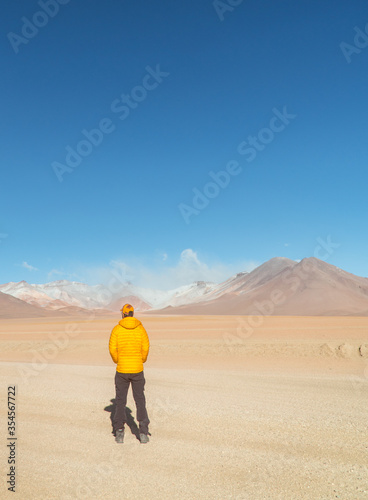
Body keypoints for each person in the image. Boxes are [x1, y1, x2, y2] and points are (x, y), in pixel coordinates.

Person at [108, 303, 150, 444]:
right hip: (137, 370)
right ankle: (143, 432)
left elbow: (112, 349)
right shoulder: (141, 329)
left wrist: (118, 361)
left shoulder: (117, 329)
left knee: (120, 401)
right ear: (132, 314)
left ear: (124, 314)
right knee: (140, 400)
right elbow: (145, 347)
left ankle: (119, 432)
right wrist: (141, 360)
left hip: (122, 371)